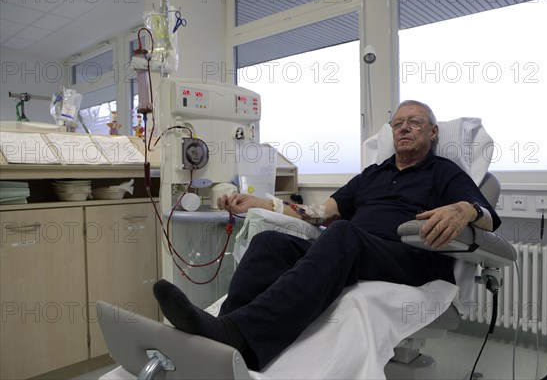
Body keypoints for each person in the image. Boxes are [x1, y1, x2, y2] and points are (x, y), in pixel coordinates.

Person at [153, 100, 501, 371]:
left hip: (410, 257)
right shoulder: (372, 175)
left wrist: (464, 210)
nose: (404, 128)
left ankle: (242, 336)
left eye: (415, 123)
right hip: (355, 251)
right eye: (397, 124)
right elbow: (320, 214)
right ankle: (220, 333)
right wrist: (266, 203)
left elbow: (486, 214)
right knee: (268, 243)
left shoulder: (442, 171)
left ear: (433, 133)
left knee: (344, 234)